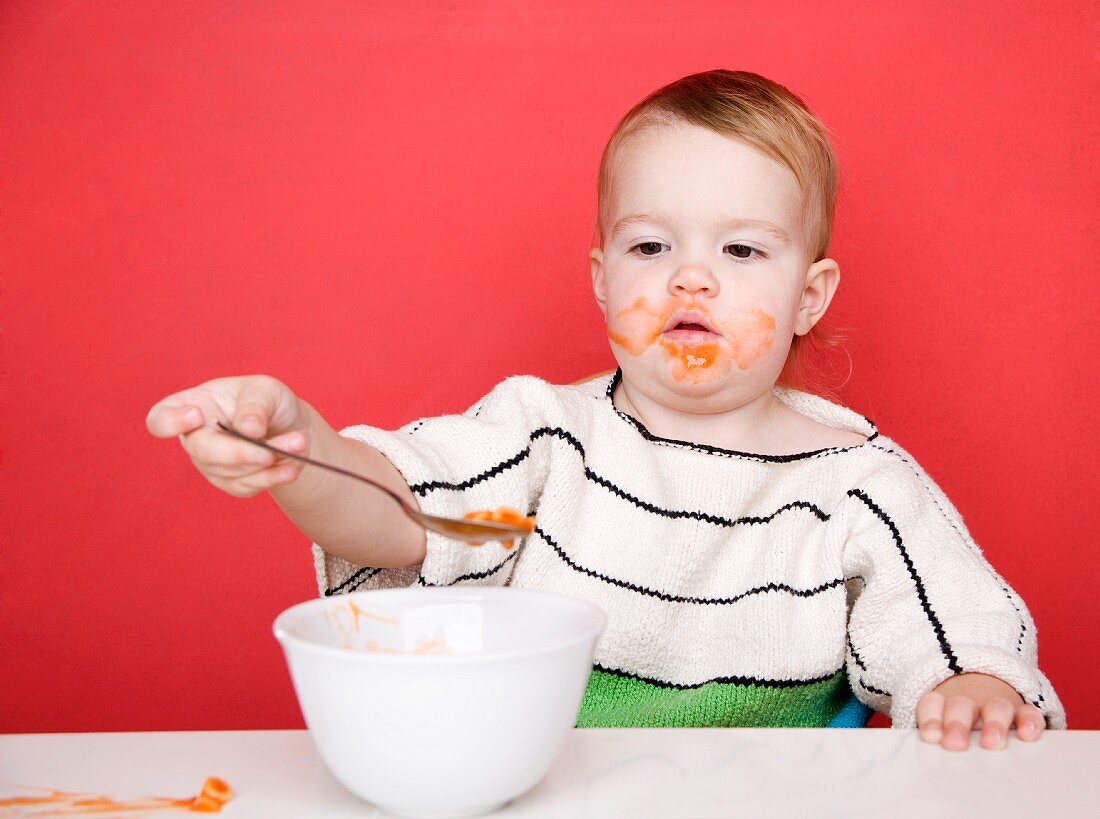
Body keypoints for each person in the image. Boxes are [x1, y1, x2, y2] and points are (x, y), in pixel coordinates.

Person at [146, 69, 1065, 749]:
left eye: (743, 252)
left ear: (810, 297)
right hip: (559, 782)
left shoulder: (854, 482)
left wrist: (972, 681)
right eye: (652, 244)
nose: (691, 275)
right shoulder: (545, 439)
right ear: (601, 276)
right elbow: (401, 513)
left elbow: (954, 619)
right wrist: (299, 446)